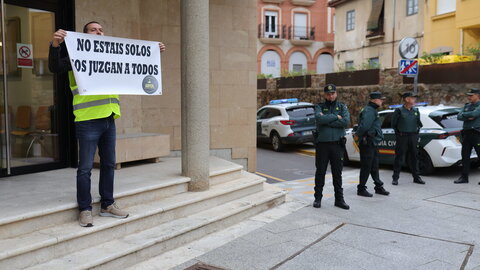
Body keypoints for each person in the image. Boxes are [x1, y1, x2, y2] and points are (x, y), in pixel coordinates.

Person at [49, 21, 166, 227]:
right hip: (87, 119)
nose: (99, 32)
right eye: (93, 30)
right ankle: (85, 209)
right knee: (85, 168)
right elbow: (55, 66)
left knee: (109, 164)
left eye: (101, 29)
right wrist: (55, 46)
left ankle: (107, 205)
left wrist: (153, 54)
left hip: (109, 118)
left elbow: (135, 65)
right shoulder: (77, 56)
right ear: (84, 35)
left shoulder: (113, 55)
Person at [313, 84, 350, 210]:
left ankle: (339, 200)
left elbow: (345, 121)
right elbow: (319, 119)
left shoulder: (342, 106)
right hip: (322, 145)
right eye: (328, 94)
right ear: (325, 95)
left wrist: (327, 120)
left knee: (337, 174)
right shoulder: (319, 106)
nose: (331, 95)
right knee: (320, 172)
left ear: (336, 93)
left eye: (333, 93)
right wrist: (335, 117)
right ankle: (318, 199)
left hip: (337, 145)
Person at [354, 92, 390, 197]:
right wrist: (357, 135)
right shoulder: (369, 110)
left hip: (372, 142)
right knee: (366, 166)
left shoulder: (371, 110)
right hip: (367, 142)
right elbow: (365, 126)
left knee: (374, 166)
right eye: (380, 99)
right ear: (374, 100)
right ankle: (361, 189)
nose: (382, 101)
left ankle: (378, 187)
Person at [391, 92, 425, 185]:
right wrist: (399, 134)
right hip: (402, 136)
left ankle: (416, 177)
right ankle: (395, 178)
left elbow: (419, 123)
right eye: (413, 98)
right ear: (406, 99)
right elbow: (393, 124)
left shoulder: (416, 110)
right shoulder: (399, 110)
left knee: (414, 157)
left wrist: (416, 132)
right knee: (399, 157)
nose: (415, 100)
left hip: (413, 136)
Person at [454, 88, 480, 184]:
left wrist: (467, 115)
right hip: (467, 134)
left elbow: (475, 114)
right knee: (465, 156)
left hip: (477, 134)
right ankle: (464, 177)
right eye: (468, 95)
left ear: (477, 95)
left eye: (471, 95)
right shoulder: (467, 105)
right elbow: (459, 116)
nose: (469, 97)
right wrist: (468, 116)